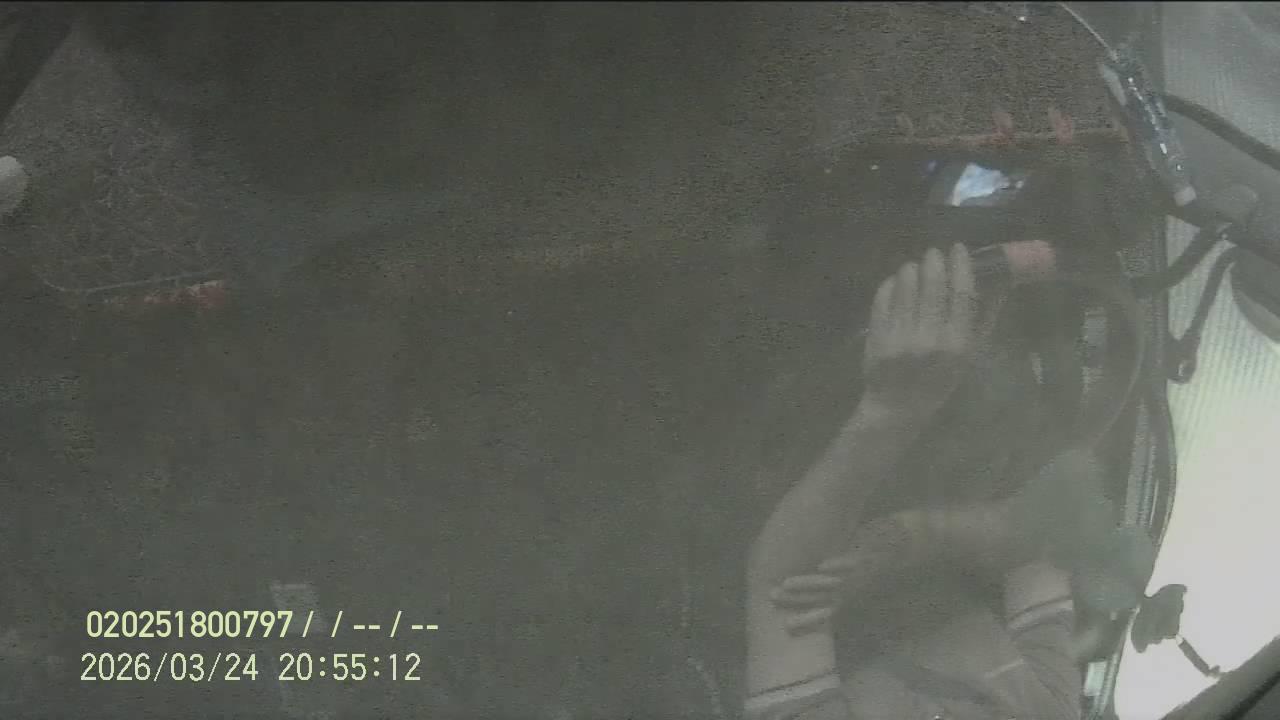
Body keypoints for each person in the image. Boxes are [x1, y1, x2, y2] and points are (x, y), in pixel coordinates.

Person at [744, 243, 1084, 720]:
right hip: (923, 446)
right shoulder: (1049, 710)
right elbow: (1039, 542)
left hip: (776, 426)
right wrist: (911, 535)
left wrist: (893, 410)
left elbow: (784, 594)